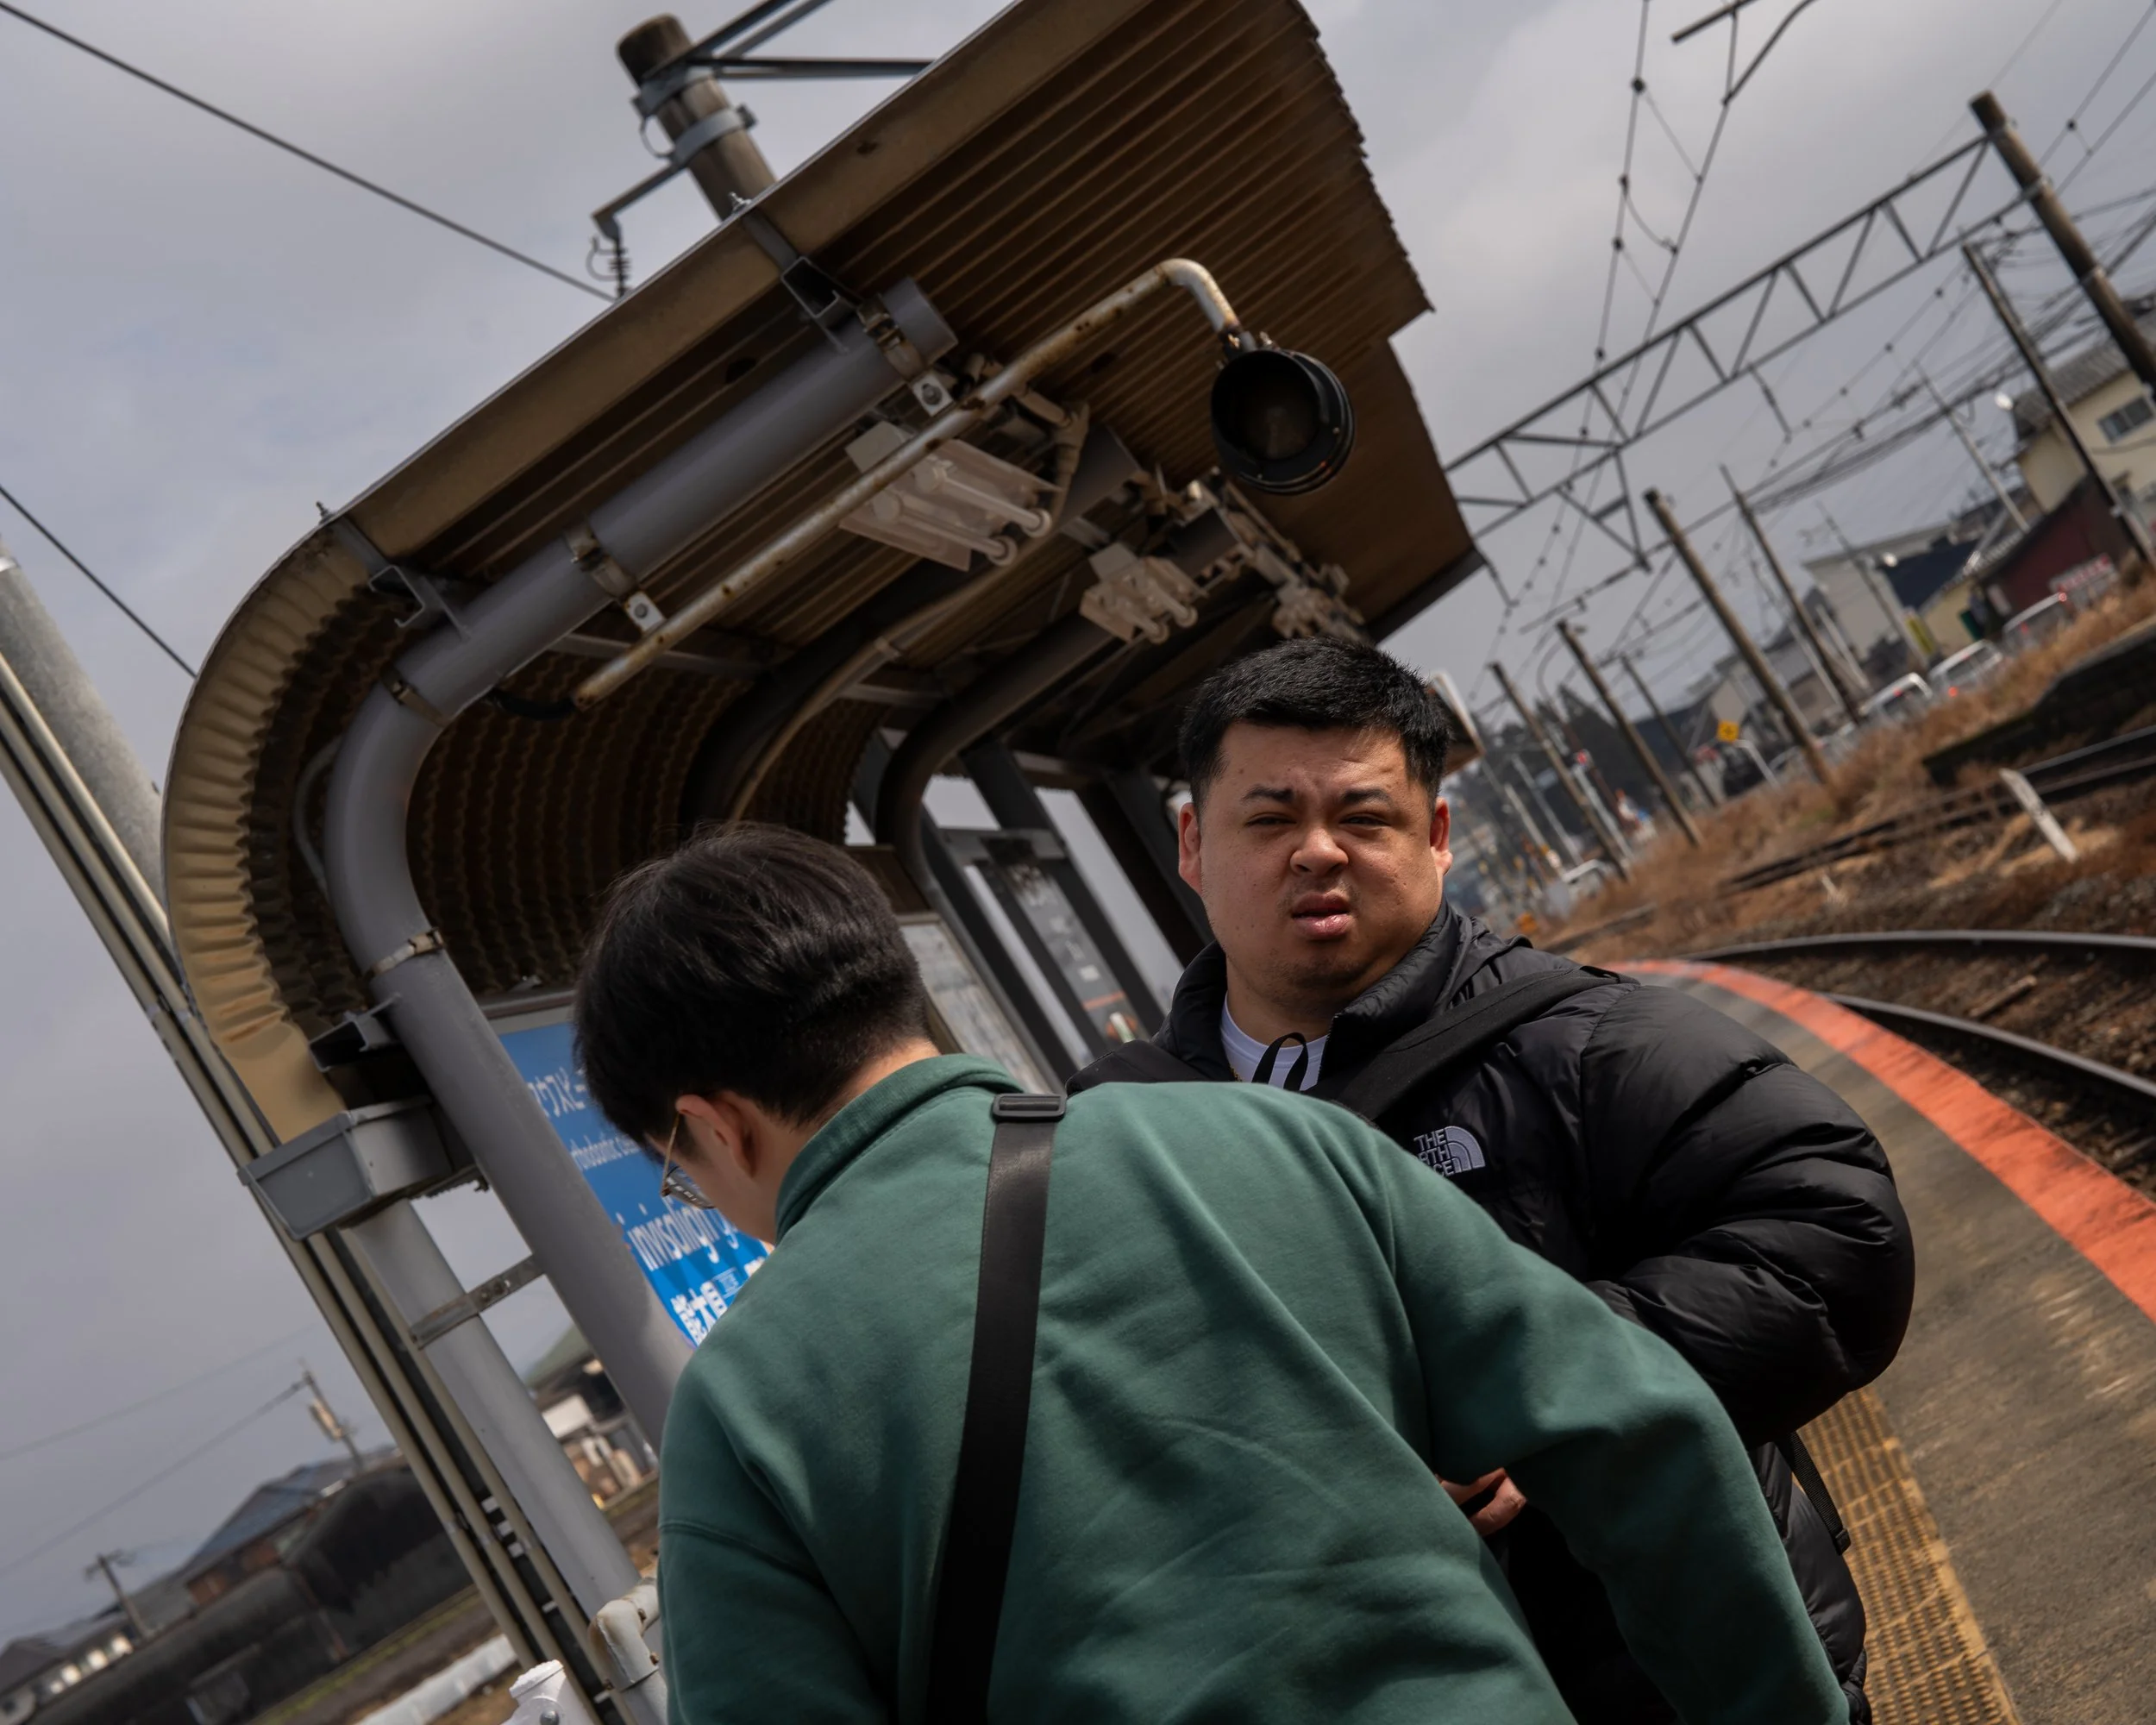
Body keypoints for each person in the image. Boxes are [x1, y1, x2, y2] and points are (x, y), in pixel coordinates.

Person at [575, 824, 1852, 1723]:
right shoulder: (1264, 1136)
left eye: (681, 1170)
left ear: (715, 1124)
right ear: (898, 999)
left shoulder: (741, 1412)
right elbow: (1645, 1430)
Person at [1071, 637, 1915, 1723]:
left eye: (1364, 817)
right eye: (1269, 818)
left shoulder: (1581, 1039)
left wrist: (1538, 1404)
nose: (1317, 853)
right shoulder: (1115, 1128)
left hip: (1680, 1673)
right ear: (1192, 842)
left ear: (1434, 835)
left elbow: (1833, 1233)